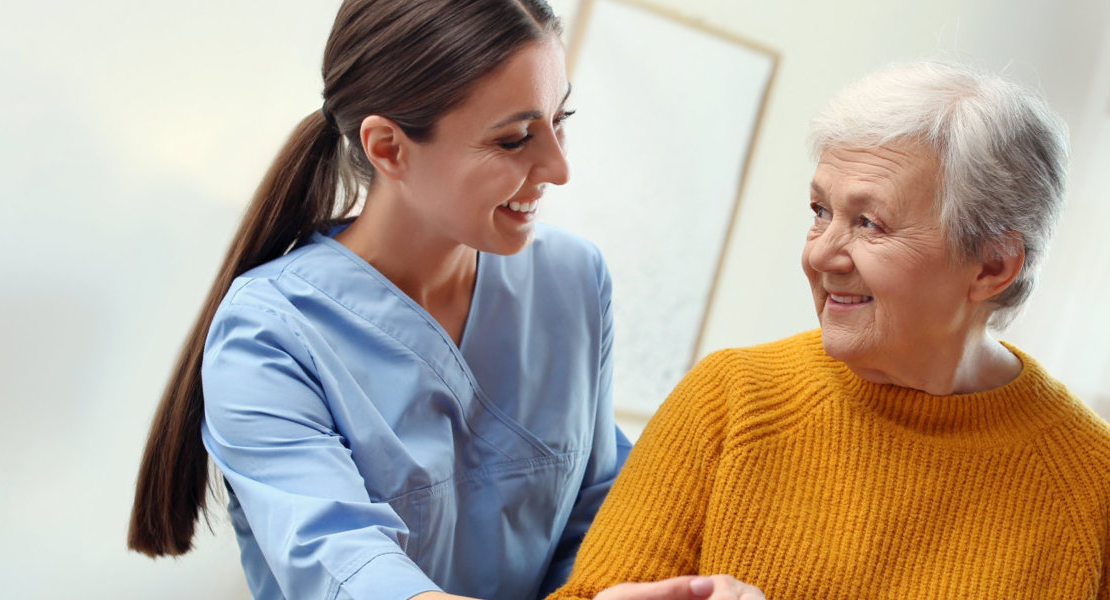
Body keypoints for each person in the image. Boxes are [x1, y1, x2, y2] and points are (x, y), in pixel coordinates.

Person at [126, 2, 755, 599]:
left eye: (560, 121)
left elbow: (596, 515)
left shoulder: (572, 281)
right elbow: (348, 570)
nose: (559, 168)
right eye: (515, 140)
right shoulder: (271, 336)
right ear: (388, 148)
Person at [548, 61, 1110, 600]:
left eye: (870, 223)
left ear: (993, 265)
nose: (821, 254)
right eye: (820, 212)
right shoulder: (730, 399)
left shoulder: (1096, 484)